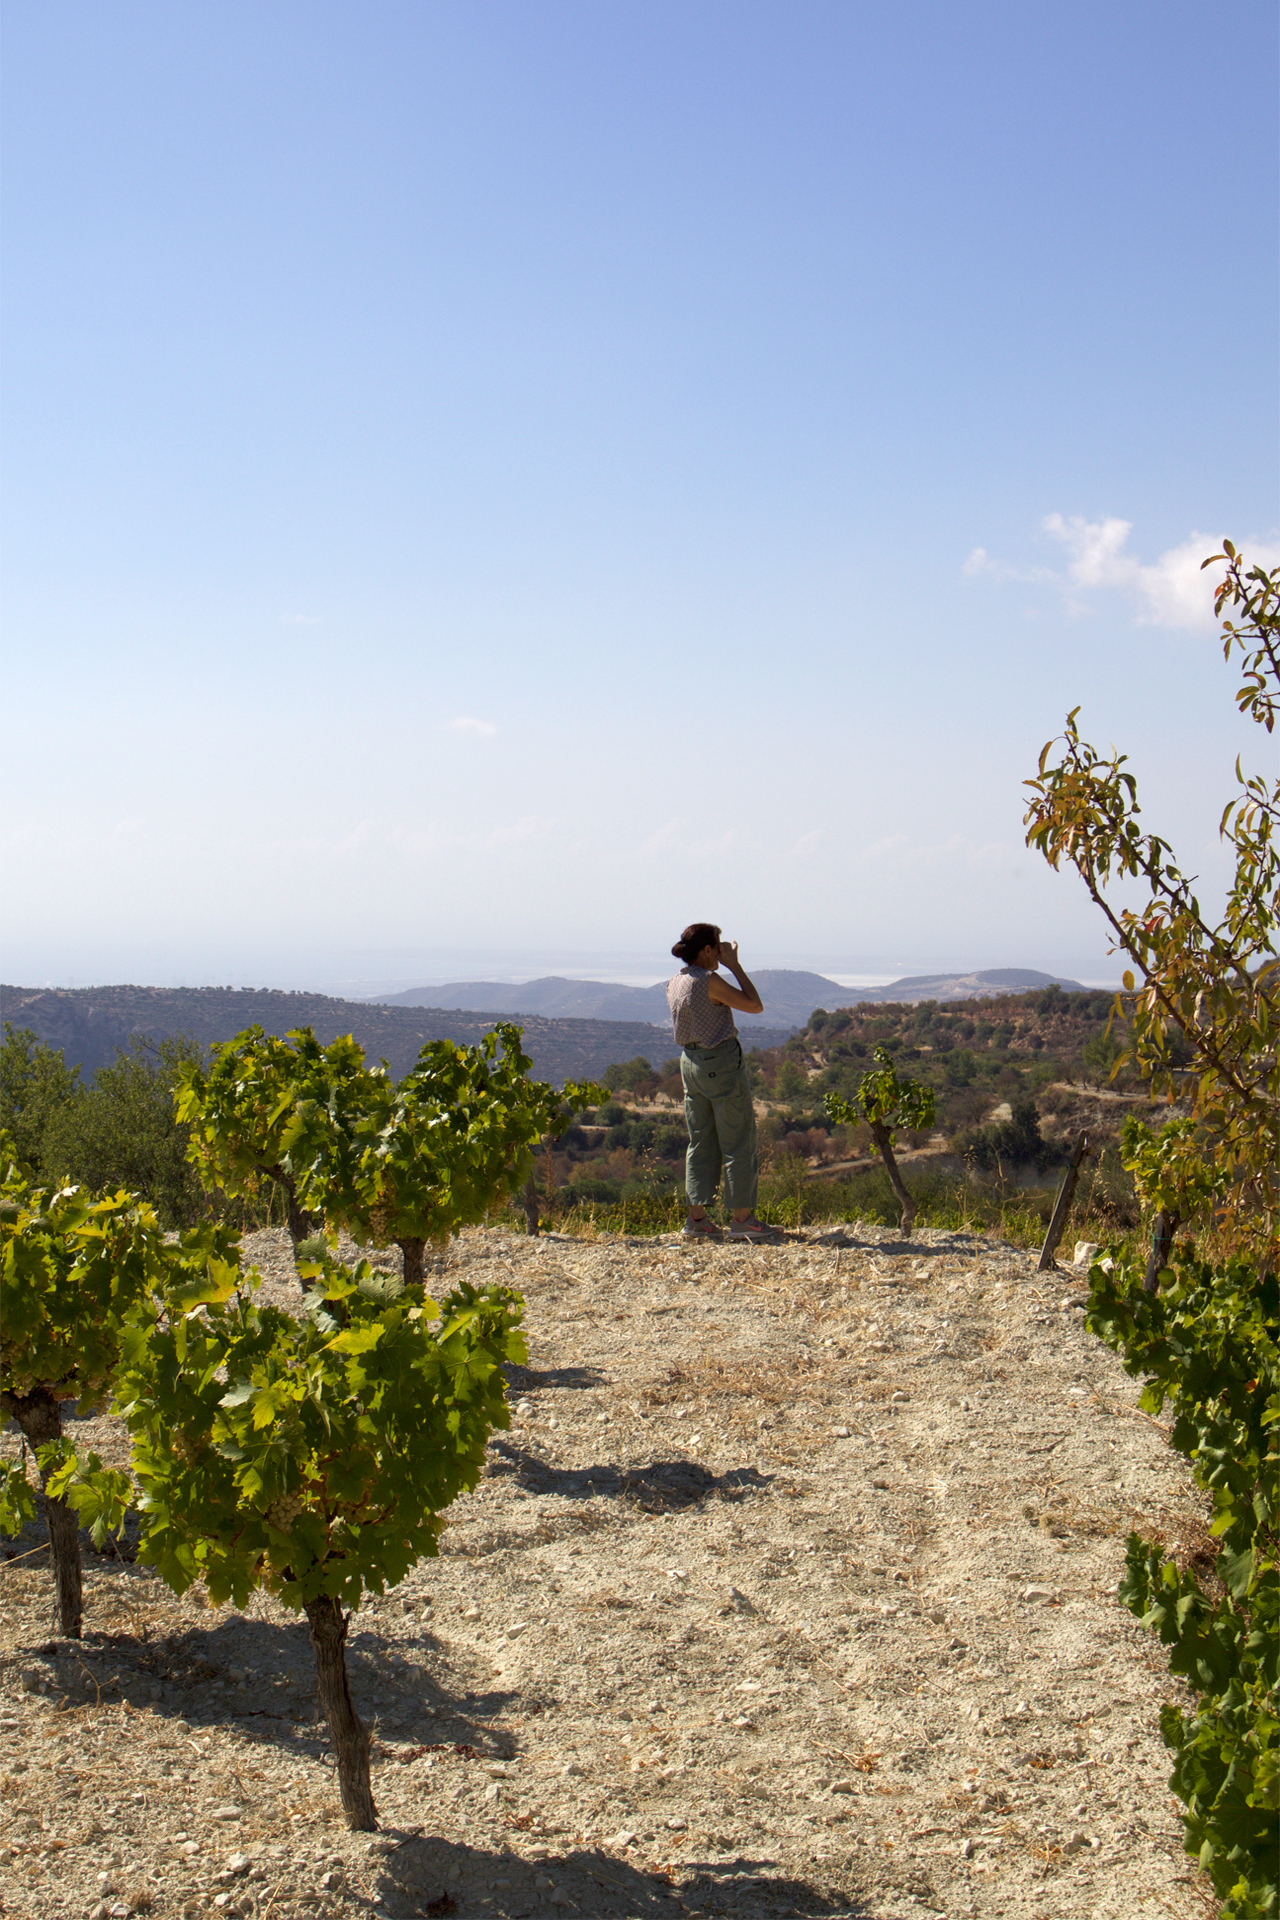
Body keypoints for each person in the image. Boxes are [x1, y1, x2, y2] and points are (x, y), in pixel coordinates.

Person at [666, 923, 776, 1243]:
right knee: (738, 1141)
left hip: (690, 1064)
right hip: (721, 1065)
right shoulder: (709, 981)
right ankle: (742, 1219)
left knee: (700, 1142)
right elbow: (754, 1005)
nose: (722, 950)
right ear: (707, 950)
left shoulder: (675, 982)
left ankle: (697, 1220)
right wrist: (735, 966)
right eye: (718, 946)